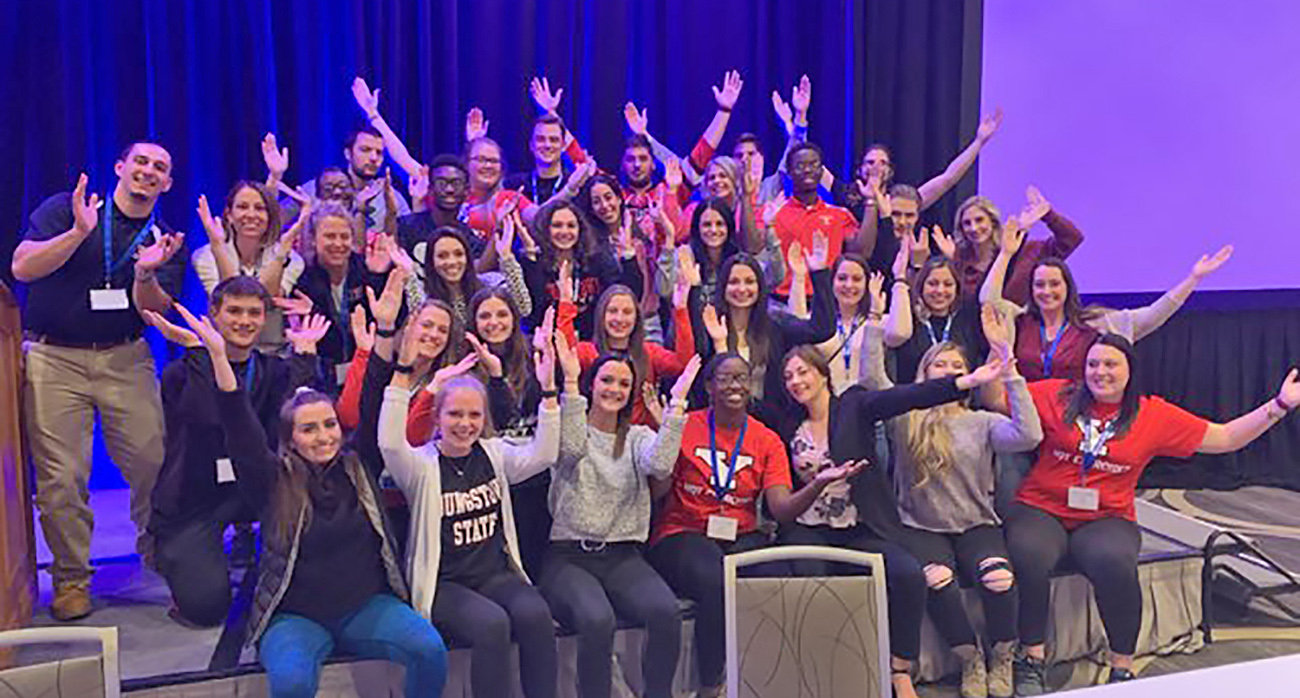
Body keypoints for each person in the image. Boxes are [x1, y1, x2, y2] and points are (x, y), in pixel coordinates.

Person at [179, 303, 446, 698]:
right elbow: (239, 424)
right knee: (291, 683)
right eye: (308, 429)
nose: (323, 436)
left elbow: (374, 401)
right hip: (295, 618)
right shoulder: (271, 479)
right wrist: (218, 357)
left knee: (430, 650)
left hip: (366, 608)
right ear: (290, 438)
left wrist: (386, 330)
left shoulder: (359, 466)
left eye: (329, 424)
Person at [1006, 334, 1300, 691]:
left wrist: (1280, 405)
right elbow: (997, 401)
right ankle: (1031, 657)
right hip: (1042, 506)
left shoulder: (1152, 414)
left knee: (1114, 562)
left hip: (1106, 516)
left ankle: (1121, 667)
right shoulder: (1057, 394)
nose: (1100, 372)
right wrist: (1000, 356)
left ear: (1130, 370)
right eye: (1093, 364)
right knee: (1029, 556)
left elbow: (1224, 438)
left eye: (1110, 364)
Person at [11, 144, 186, 620]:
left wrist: (146, 270)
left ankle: (164, 558)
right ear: (120, 168)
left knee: (154, 463)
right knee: (61, 478)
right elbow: (22, 268)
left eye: (161, 169)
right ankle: (71, 578)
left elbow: (154, 311)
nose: (149, 172)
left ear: (167, 184)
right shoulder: (68, 209)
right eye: (142, 163)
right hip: (54, 360)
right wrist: (76, 234)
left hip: (125, 359)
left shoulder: (163, 238)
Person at [775, 341, 1006, 698]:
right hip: (809, 529)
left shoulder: (853, 405)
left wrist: (965, 382)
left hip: (860, 526)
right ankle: (820, 674)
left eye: (803, 371)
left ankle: (900, 670)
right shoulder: (786, 420)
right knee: (812, 582)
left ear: (823, 374)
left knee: (908, 575)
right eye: (788, 376)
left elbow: (906, 397)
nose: (796, 380)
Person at [646, 353, 865, 698]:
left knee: (782, 577)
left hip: (740, 536)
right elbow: (656, 492)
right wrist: (667, 432)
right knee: (715, 578)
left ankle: (777, 680)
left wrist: (819, 482)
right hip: (682, 533)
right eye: (725, 378)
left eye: (742, 379)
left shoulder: (766, 439)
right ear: (708, 386)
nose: (734, 385)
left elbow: (781, 510)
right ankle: (709, 686)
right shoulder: (686, 425)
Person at [377, 299, 563, 698]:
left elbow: (544, 455)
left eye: (474, 416)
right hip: (446, 583)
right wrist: (403, 373)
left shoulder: (494, 454)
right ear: (438, 418)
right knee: (492, 625)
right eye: (455, 416)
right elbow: (389, 442)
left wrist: (549, 394)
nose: (465, 424)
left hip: (494, 575)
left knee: (536, 615)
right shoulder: (421, 466)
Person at [863, 306, 1042, 698]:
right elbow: (872, 382)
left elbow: (1029, 435)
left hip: (977, 524)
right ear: (924, 374)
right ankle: (970, 660)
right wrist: (875, 327)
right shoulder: (904, 417)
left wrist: (1007, 367)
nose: (947, 369)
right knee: (936, 578)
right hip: (921, 527)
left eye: (955, 364)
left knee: (999, 579)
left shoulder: (982, 422)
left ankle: (1002, 655)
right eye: (938, 364)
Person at [144, 278, 325, 628]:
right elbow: (208, 417)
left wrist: (304, 356)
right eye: (234, 311)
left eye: (254, 313)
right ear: (214, 314)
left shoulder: (273, 370)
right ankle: (169, 552)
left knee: (308, 587)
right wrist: (200, 350)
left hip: (253, 488)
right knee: (207, 608)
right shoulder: (180, 374)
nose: (245, 321)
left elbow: (292, 417)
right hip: (193, 497)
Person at [543, 339, 701, 698]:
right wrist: (569, 384)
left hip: (623, 556)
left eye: (623, 384)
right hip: (569, 556)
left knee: (665, 613)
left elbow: (661, 464)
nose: (614, 389)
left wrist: (676, 405)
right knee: (597, 620)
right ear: (592, 385)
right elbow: (571, 450)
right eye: (607, 381)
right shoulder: (572, 427)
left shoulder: (637, 437)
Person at [980, 223, 1235, 382]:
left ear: (1068, 288)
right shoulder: (1019, 320)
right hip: (1026, 422)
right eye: (1039, 284)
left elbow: (1153, 315)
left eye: (1054, 284)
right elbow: (988, 300)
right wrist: (1006, 253)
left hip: (1073, 424)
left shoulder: (1095, 323)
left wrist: (1193, 278)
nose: (1047, 291)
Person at [694, 248, 835, 427]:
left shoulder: (777, 323)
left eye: (750, 281)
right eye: (734, 282)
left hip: (770, 425)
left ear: (760, 286)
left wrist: (819, 273)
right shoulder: (710, 324)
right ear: (723, 287)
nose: (742, 289)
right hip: (719, 423)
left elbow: (822, 329)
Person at [556, 271, 695, 427]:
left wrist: (681, 309)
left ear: (637, 318)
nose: (619, 318)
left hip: (639, 437)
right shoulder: (588, 352)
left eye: (627, 312)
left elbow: (683, 365)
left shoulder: (649, 353)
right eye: (612, 311)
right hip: (595, 433)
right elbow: (565, 354)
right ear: (601, 315)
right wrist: (566, 303)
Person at [290, 202, 405, 388]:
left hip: (371, 373)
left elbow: (391, 321)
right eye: (329, 236)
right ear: (313, 239)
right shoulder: (304, 281)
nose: (338, 243)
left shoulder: (368, 268)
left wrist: (377, 278)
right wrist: (314, 311)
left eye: (344, 236)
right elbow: (325, 344)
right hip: (323, 379)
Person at [831, 109, 1004, 222]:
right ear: (860, 169)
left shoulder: (903, 199)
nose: (876, 167)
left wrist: (979, 142)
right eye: (870, 162)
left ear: (890, 172)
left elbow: (948, 179)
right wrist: (802, 120)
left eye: (883, 163)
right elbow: (811, 169)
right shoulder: (847, 194)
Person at [191, 181, 307, 349]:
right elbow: (234, 297)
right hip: (222, 351)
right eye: (243, 207)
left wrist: (281, 254)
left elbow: (266, 297)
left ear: (270, 217)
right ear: (229, 215)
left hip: (273, 352)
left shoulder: (292, 259)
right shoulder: (205, 256)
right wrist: (218, 247)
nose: (251, 214)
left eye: (260, 208)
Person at [770, 142, 875, 298]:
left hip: (825, 299)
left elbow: (863, 252)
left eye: (814, 165)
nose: (807, 170)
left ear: (821, 171)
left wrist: (871, 202)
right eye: (800, 165)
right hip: (782, 300)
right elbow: (752, 247)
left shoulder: (839, 215)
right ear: (790, 173)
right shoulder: (774, 213)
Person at [521, 200, 638, 338]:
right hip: (548, 341)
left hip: (592, 342)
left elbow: (627, 294)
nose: (565, 232)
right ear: (546, 229)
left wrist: (628, 255)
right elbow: (533, 311)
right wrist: (530, 257)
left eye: (571, 226)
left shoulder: (596, 260)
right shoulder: (534, 264)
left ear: (580, 230)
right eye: (557, 225)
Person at [949, 188, 1084, 306]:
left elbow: (1072, 238)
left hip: (1024, 331)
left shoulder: (1028, 251)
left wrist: (1048, 215)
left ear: (993, 222)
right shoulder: (962, 265)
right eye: (967, 223)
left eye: (979, 220)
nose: (974, 228)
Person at [281, 122, 411, 236]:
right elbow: (275, 221)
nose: (373, 158)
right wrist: (275, 178)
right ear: (348, 154)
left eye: (379, 153)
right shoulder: (317, 188)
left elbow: (408, 238)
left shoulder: (391, 197)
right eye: (365, 150)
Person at [886, 255, 990, 385]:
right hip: (913, 400)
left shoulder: (968, 320)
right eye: (932, 283)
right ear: (921, 286)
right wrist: (900, 279)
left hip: (960, 400)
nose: (940, 290)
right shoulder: (907, 318)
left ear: (957, 288)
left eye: (948, 284)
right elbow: (897, 334)